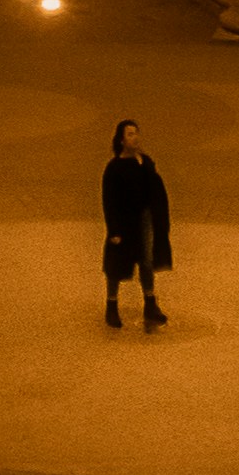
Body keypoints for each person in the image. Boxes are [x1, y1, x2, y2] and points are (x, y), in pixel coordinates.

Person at [99, 120, 172, 333]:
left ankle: (150, 304)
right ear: (121, 140)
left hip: (144, 220)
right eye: (130, 134)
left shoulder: (145, 162)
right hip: (123, 223)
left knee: (146, 261)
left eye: (136, 133)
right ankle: (111, 305)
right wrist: (113, 230)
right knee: (116, 264)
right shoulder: (114, 168)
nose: (135, 138)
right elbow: (108, 201)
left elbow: (155, 190)